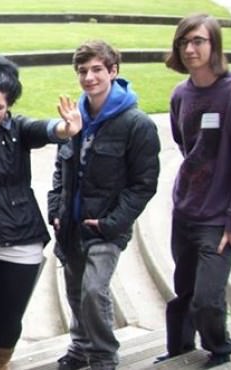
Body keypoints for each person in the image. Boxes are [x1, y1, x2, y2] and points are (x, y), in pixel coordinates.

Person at [0, 56, 82, 370]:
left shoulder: (19, 130)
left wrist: (65, 128)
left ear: (9, 107)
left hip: (21, 240)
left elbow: (48, 129)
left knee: (9, 318)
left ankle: (0, 365)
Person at [47, 40, 160, 370]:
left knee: (94, 291)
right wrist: (56, 210)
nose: (89, 77)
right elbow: (60, 168)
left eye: (97, 69)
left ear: (113, 71)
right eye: (82, 71)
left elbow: (144, 185)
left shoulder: (137, 124)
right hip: (70, 222)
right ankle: (80, 348)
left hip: (107, 226)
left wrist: (112, 223)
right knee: (74, 289)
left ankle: (103, 357)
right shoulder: (74, 117)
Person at [155, 13, 231, 368]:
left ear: (215, 45)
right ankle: (179, 348)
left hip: (220, 216)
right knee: (184, 289)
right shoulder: (180, 94)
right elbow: (185, 146)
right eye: (183, 42)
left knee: (208, 299)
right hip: (185, 210)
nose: (190, 48)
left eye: (198, 41)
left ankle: (220, 348)